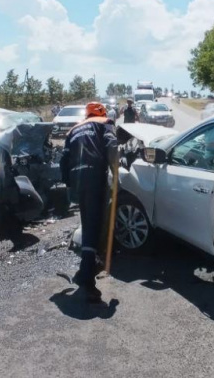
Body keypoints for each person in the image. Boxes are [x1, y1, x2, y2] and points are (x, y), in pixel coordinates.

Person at [60, 102, 118, 303]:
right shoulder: (105, 122)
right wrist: (117, 170)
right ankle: (87, 279)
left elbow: (63, 160)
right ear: (102, 112)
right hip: (95, 177)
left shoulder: (74, 129)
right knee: (95, 225)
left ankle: (87, 266)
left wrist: (68, 185)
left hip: (78, 181)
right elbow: (111, 145)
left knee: (88, 223)